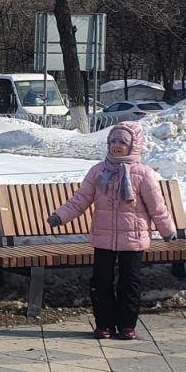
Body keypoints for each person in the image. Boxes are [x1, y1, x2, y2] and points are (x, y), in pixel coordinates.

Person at [49, 121, 176, 340]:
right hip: (104, 237)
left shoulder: (143, 174)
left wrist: (168, 230)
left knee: (130, 282)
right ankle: (104, 324)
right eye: (113, 141)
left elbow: (157, 206)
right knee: (101, 281)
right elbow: (81, 198)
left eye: (122, 142)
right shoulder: (99, 171)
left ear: (133, 146)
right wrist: (61, 215)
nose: (116, 146)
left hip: (133, 237)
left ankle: (127, 325)